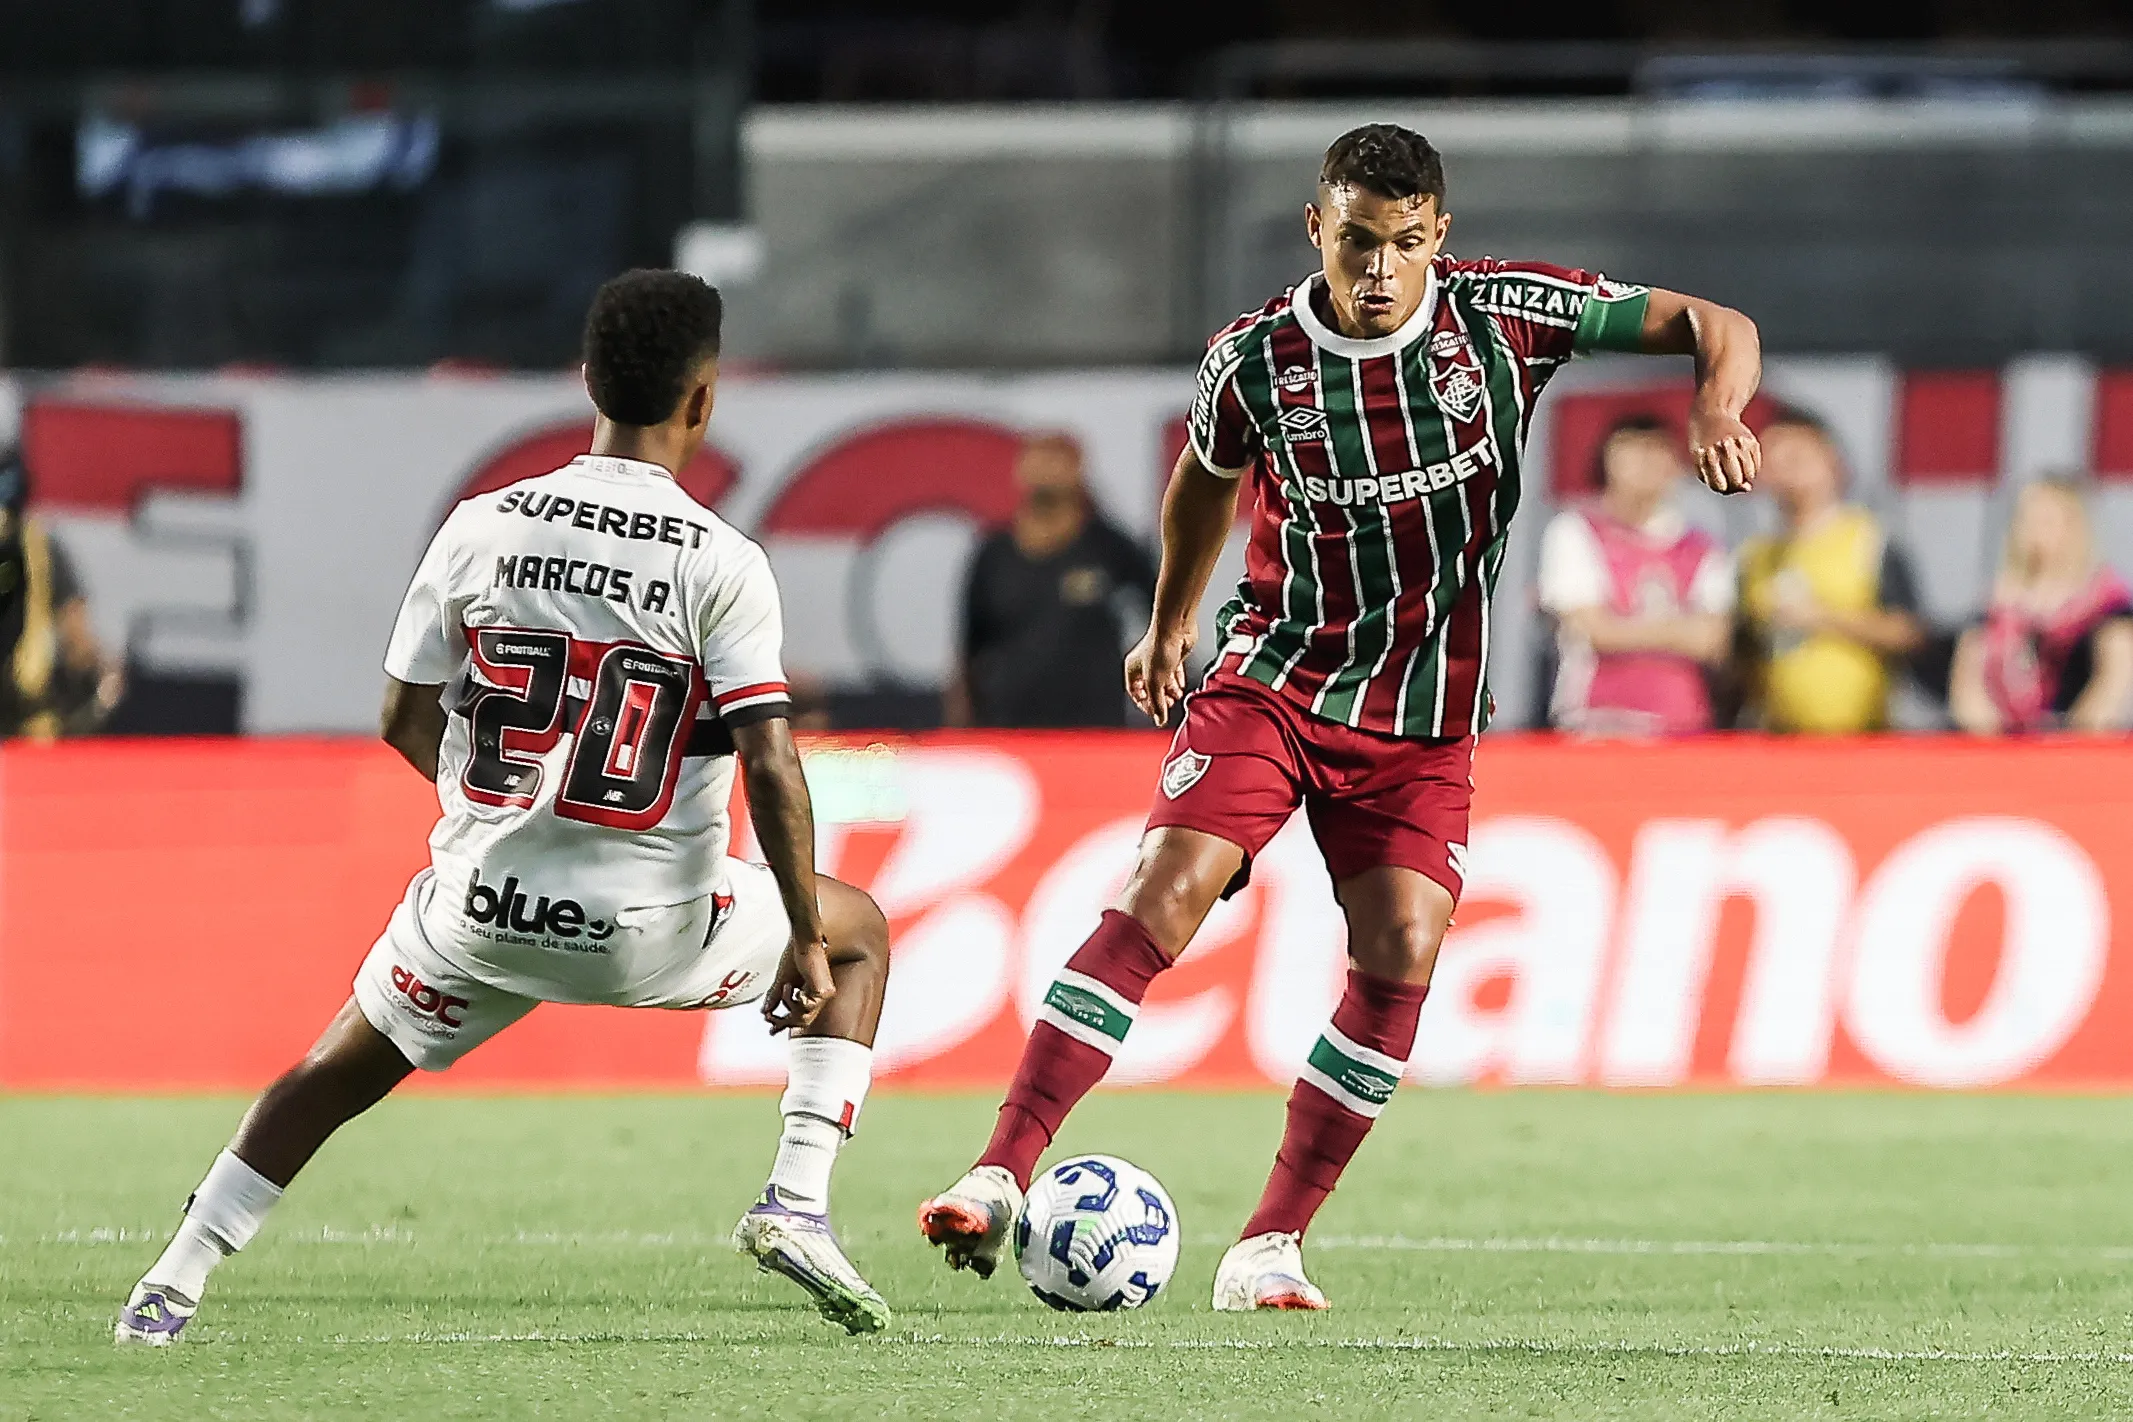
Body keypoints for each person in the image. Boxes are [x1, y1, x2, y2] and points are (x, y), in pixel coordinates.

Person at [917, 123, 1761, 1310]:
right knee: (1167, 890)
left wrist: (1717, 406)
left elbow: (1719, 325)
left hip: (1425, 713)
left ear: (1439, 238)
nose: (1378, 268)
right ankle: (1002, 1171)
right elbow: (1203, 485)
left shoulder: (1509, 316)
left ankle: (1271, 1243)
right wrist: (1170, 623)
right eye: (1357, 239)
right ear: (1318, 227)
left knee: (1403, 948)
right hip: (1278, 677)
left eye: (1405, 244)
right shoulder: (1254, 359)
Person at [117, 270, 896, 1344]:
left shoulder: (481, 527)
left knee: (330, 1074)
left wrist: (503, 818)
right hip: (652, 930)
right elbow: (770, 762)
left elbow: (400, 716)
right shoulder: (724, 563)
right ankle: (797, 1201)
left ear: (586, 381)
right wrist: (805, 940)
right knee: (861, 937)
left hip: (482, 911)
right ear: (704, 399)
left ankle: (173, 1280)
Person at [1537, 414, 1733, 735]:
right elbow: (1595, 630)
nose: (1645, 463)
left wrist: (1626, 628)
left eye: (1656, 451)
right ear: (1606, 461)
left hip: (1684, 724)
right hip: (1598, 721)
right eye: (1631, 451)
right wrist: (1680, 632)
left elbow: (1713, 641)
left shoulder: (1701, 547)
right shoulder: (1575, 531)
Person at [948, 432, 1157, 728]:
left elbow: (1163, 616)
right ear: (1020, 469)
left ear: (1078, 468)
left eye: (1058, 457)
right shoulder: (993, 555)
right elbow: (968, 651)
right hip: (1009, 727)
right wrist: (960, 725)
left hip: (1095, 730)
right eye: (1040, 456)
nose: (1047, 467)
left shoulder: (1110, 548)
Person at [1735, 409, 1925, 733]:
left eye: (1796, 457)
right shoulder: (1756, 557)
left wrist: (1821, 618)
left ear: (1830, 460)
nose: (1785, 472)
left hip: (1859, 735)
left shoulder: (1869, 540)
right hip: (1778, 737)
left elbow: (1907, 631)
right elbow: (1741, 653)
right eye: (1773, 460)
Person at [1949, 477, 2133, 735]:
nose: (2034, 529)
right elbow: (1967, 681)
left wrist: (2076, 736)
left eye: (2047, 520)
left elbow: (2114, 680)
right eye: (2028, 519)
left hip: (2076, 746)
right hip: (2003, 746)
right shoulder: (1997, 602)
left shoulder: (2105, 601)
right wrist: (1989, 734)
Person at [0, 446, 124, 737]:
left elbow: (76, 635)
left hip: (25, 720)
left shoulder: (40, 549)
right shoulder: (38, 547)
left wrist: (97, 664)